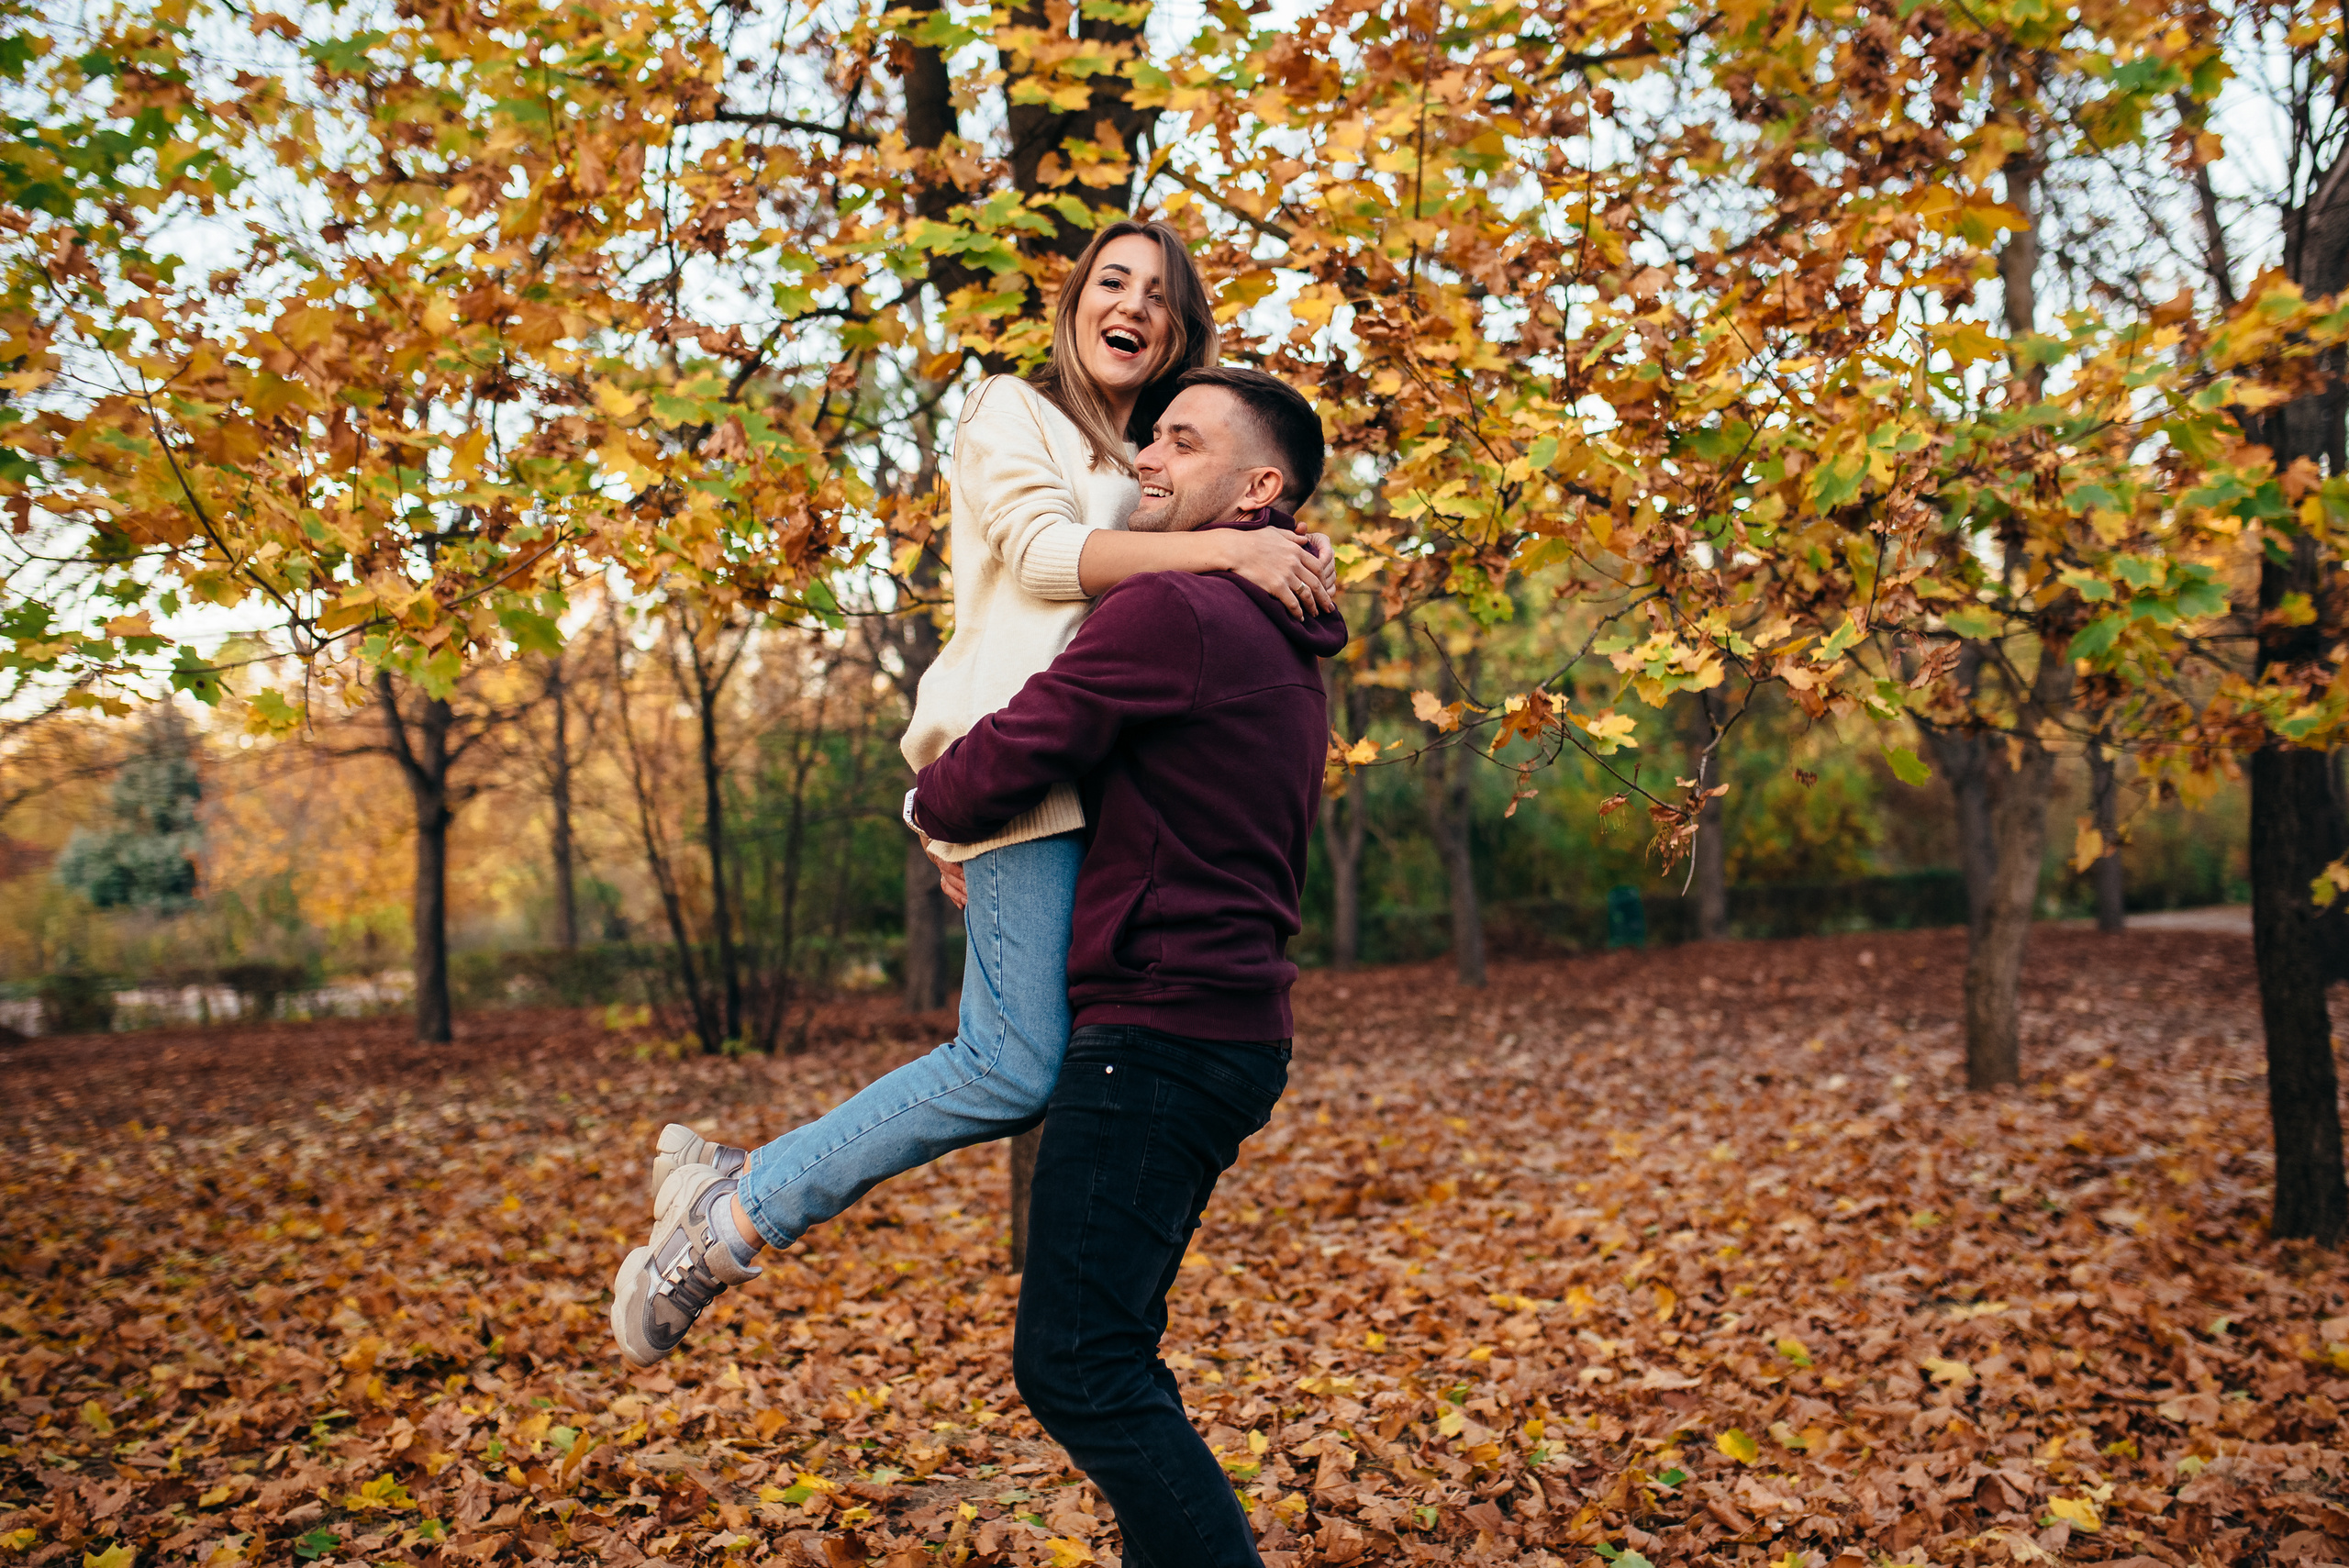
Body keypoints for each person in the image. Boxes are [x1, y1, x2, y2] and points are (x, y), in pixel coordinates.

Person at [611, 222, 1338, 1369]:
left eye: (1160, 295)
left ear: (1180, 332)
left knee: (1029, 1059)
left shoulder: (1147, 466)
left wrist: (1266, 534)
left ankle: (736, 1188)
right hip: (1014, 759)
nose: (1134, 305)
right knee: (1010, 1061)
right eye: (1113, 281)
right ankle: (734, 1216)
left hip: (1084, 782)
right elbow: (1048, 560)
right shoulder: (1011, 409)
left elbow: (1223, 515)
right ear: (1074, 301)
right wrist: (1232, 553)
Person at [915, 365, 1342, 1568]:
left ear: (1257, 488)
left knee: (1078, 1361)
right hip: (1222, 1029)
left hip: (1158, 1033)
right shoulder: (1270, 622)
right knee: (1104, 1350)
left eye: (1183, 442)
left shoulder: (1177, 613)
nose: (1148, 457)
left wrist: (928, 801)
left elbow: (1017, 744)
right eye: (1148, 435)